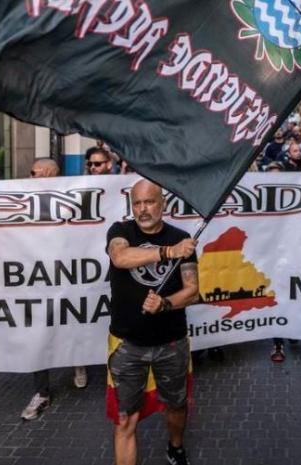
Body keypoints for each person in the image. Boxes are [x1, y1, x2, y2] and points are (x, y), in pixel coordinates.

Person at [106, 179, 199, 465]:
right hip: (127, 344)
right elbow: (120, 258)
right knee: (124, 421)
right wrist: (166, 252)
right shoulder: (121, 232)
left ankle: (175, 446)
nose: (143, 209)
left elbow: (193, 291)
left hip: (171, 342)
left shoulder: (182, 237)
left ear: (163, 204)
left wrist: (165, 303)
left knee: (176, 406)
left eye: (149, 202)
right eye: (137, 203)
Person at [21, 158, 88, 421]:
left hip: (66, 275)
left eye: (33, 172)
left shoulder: (69, 195)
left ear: (49, 174)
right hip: (36, 277)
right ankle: (41, 391)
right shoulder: (24, 197)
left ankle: (78, 361)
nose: (29, 176)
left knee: (71, 321)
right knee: (39, 332)